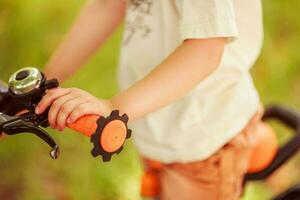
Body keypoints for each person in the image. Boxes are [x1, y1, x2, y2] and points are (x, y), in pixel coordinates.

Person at [36, 0, 264, 199]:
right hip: (159, 121)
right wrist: (43, 84)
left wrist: (114, 108)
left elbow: (204, 50)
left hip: (202, 139)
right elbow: (107, 4)